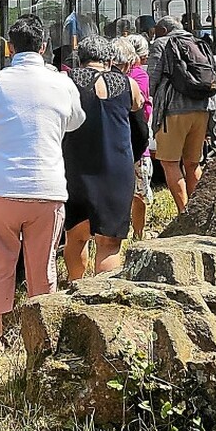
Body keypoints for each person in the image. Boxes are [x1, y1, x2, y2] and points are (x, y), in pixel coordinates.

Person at [0, 15, 85, 349]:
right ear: (44, 45)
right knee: (42, 264)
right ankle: (42, 334)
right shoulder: (62, 83)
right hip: (46, 186)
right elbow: (75, 121)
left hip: (0, 186)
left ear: (9, 46)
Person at [62, 36, 143, 280]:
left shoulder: (66, 82)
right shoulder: (129, 84)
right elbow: (139, 119)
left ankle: (74, 286)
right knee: (109, 244)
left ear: (80, 59)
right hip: (115, 169)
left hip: (75, 167)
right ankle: (102, 299)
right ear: (110, 60)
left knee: (75, 237)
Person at [147, 16, 213, 214]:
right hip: (201, 109)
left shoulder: (161, 43)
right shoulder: (196, 42)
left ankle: (184, 214)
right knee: (193, 163)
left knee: (169, 163)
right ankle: (198, 210)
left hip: (173, 111)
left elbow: (152, 79)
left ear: (164, 30)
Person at [121, 35, 154, 241]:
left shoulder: (111, 78)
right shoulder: (140, 76)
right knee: (138, 194)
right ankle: (137, 234)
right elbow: (142, 110)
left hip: (125, 142)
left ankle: (136, 233)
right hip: (137, 145)